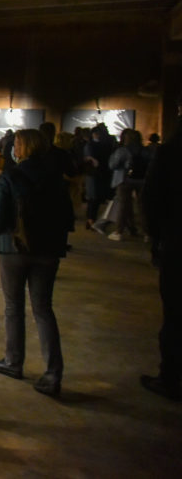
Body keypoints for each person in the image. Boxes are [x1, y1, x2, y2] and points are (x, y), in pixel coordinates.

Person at [0, 129, 67, 397]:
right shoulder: (55, 178)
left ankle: (13, 361)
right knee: (43, 309)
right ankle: (53, 372)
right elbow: (67, 218)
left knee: (14, 307)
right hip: (48, 252)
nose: (15, 148)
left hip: (13, 249)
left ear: (23, 148)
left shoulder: (10, 176)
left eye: (17, 144)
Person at [140, 102, 182, 400]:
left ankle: (170, 377)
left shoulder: (170, 152)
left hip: (177, 243)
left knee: (176, 315)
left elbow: (151, 199)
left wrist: (155, 238)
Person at [107, 129, 144, 241]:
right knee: (142, 206)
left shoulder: (123, 150)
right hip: (141, 179)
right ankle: (145, 232)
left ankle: (119, 231)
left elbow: (113, 165)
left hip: (124, 179)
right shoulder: (144, 150)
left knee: (123, 206)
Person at [83, 124, 114, 232]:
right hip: (96, 174)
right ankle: (91, 220)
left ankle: (91, 220)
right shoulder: (98, 145)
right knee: (94, 198)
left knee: (94, 198)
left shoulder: (92, 145)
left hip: (96, 174)